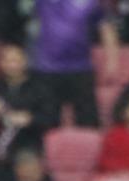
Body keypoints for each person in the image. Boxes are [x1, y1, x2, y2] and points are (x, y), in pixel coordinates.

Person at [30, 0, 118, 128]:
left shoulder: (92, 3)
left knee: (88, 122)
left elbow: (106, 29)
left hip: (81, 68)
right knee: (46, 123)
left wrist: (112, 61)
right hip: (47, 69)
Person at [0, 43, 51, 178]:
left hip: (28, 144)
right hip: (1, 147)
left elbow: (51, 118)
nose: (11, 65)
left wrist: (29, 119)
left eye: (16, 61)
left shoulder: (38, 87)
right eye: (7, 61)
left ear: (25, 62)